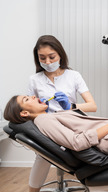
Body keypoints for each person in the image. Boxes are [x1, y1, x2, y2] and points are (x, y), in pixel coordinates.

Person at [27, 35, 97, 192]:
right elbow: (29, 111)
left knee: (85, 151)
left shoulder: (73, 76)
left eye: (52, 57)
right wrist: (41, 108)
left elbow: (92, 106)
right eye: (42, 58)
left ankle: (94, 187)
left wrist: (70, 105)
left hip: (71, 123)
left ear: (60, 54)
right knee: (43, 154)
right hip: (48, 127)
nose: (48, 62)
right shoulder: (34, 80)